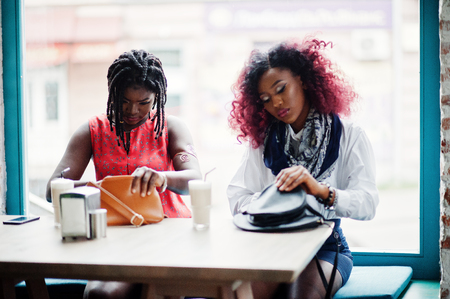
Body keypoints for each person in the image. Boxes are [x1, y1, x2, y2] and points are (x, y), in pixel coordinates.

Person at [227, 37, 379, 299]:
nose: (276, 103)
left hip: (326, 249)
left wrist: (320, 190)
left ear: (303, 80)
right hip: (271, 245)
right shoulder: (262, 142)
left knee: (300, 296)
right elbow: (237, 198)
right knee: (242, 295)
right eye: (266, 98)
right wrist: (275, 198)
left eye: (281, 89)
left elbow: (368, 204)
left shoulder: (349, 135)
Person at [46, 49, 202, 298]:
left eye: (144, 103)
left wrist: (162, 177)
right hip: (113, 239)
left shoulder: (171, 127)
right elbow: (52, 188)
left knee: (162, 290)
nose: (132, 111)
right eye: (124, 101)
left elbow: (194, 180)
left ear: (157, 98)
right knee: (100, 294)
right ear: (112, 94)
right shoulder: (92, 131)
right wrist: (97, 187)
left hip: (168, 233)